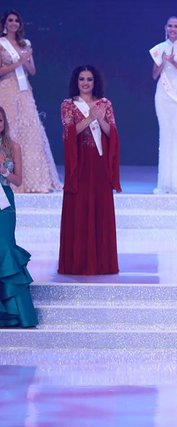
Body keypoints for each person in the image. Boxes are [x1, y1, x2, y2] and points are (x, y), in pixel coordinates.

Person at [59, 65, 121, 275]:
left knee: (99, 209)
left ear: (95, 82)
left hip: (99, 163)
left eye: (89, 79)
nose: (85, 83)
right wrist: (89, 118)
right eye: (82, 79)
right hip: (80, 163)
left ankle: (102, 262)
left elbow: (112, 133)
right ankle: (78, 262)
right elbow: (68, 133)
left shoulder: (105, 104)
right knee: (79, 208)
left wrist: (99, 118)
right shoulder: (68, 105)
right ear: (76, 82)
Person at [0, 10, 61, 193]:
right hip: (7, 89)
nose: (14, 23)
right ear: (5, 23)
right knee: (10, 129)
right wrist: (19, 62)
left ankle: (36, 179)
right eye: (10, 20)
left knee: (31, 130)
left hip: (24, 91)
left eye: (17, 21)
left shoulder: (25, 44)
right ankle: (8, 177)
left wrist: (25, 60)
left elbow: (32, 71)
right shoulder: (1, 44)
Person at [0, 106, 38, 328]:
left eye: (0, 121)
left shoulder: (13, 147)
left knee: (5, 247)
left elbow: (18, 180)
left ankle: (14, 311)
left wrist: (3, 170)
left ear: (4, 123)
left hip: (5, 202)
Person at [150, 16, 177, 194]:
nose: (173, 29)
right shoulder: (159, 48)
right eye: (170, 26)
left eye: (176, 26)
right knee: (165, 135)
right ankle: (165, 183)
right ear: (165, 28)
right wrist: (163, 61)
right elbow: (154, 75)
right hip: (163, 96)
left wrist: (173, 61)